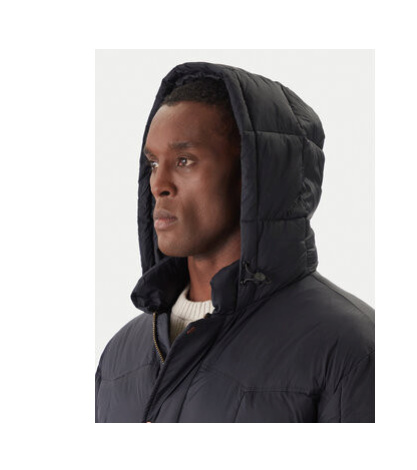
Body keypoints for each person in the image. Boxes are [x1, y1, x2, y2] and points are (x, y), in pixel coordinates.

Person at [95, 61, 375, 423]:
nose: (158, 184)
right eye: (152, 164)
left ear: (257, 175)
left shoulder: (350, 348)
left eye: (184, 160)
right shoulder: (119, 357)